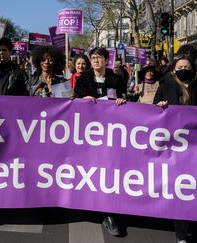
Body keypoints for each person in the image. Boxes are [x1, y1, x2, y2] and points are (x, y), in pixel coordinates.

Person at [153, 54, 197, 243]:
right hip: (171, 142)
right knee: (173, 183)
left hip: (193, 144)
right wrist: (160, 106)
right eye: (180, 67)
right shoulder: (165, 86)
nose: (183, 70)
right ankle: (179, 228)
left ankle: (182, 230)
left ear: (193, 69)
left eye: (187, 67)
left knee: (186, 185)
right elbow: (153, 112)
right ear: (173, 69)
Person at [73, 47, 125, 236]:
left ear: (106, 60)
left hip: (111, 132)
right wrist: (82, 100)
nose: (95, 60)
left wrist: (121, 100)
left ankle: (109, 213)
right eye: (93, 57)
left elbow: (124, 97)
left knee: (108, 170)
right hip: (88, 132)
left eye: (99, 57)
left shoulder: (116, 78)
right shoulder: (84, 79)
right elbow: (73, 101)